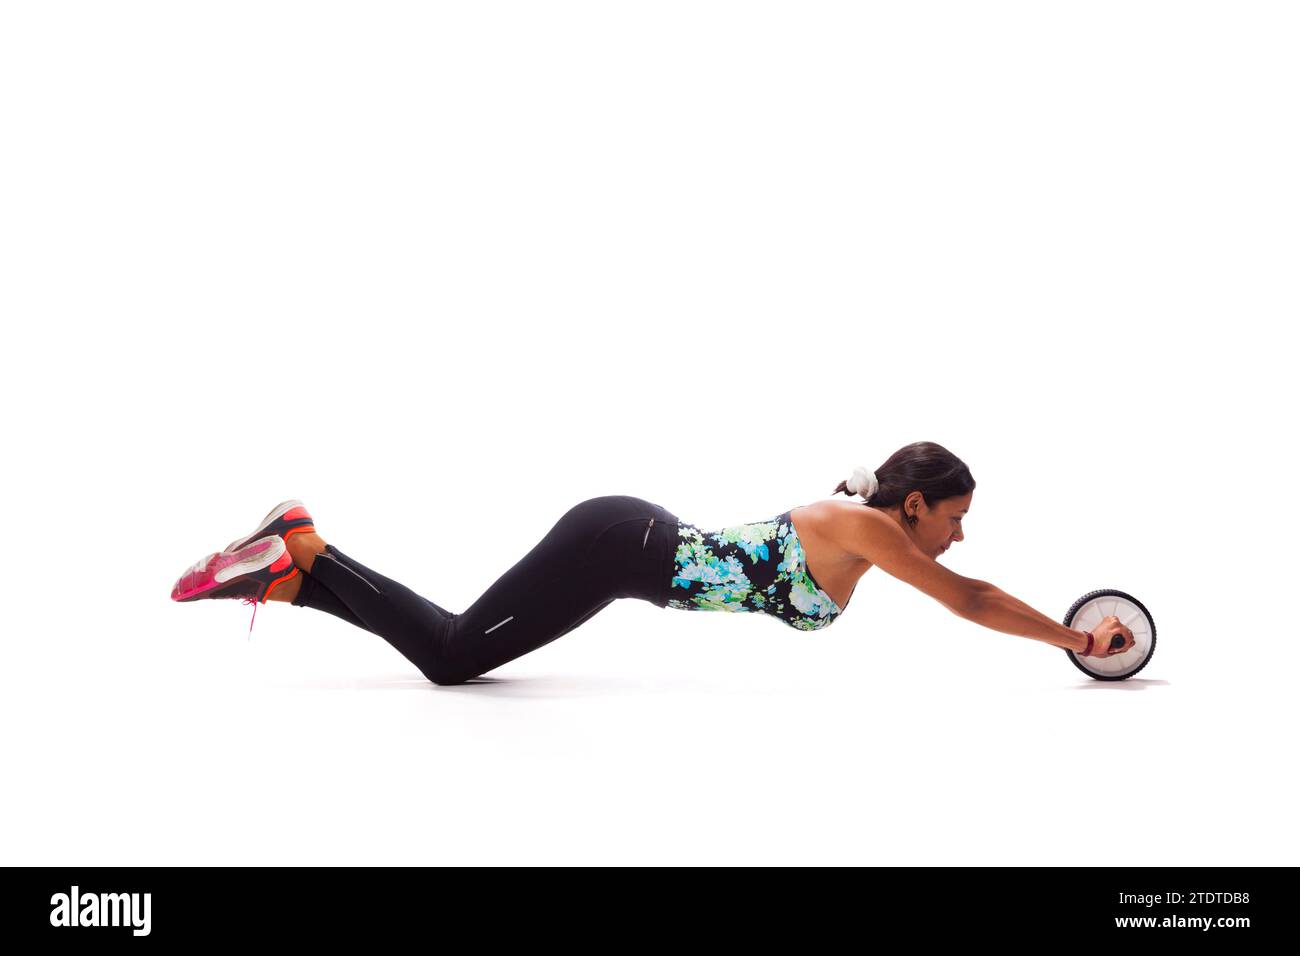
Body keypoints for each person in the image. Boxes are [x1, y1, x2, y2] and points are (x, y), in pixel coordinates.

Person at [169, 441, 1137, 684]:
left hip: (624, 546)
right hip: (615, 546)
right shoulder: (871, 528)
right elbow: (964, 596)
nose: (958, 536)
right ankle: (303, 541)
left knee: (455, 650)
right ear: (913, 504)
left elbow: (954, 575)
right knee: (454, 656)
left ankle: (292, 573)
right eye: (954, 516)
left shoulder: (863, 526)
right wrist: (1069, 634)